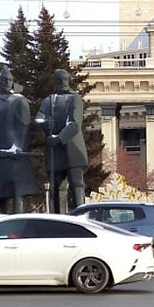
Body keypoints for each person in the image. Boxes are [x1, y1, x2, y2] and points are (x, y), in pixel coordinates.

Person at [0, 66, 40, 214]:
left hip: (15, 156)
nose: (7, 82)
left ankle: (18, 225)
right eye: (4, 80)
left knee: (17, 192)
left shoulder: (19, 101)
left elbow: (24, 126)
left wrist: (19, 146)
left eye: (9, 80)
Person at [35, 69, 88, 213]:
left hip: (72, 151)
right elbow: (38, 118)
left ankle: (80, 216)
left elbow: (74, 123)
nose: (63, 83)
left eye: (65, 80)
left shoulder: (74, 98)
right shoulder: (49, 101)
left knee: (77, 185)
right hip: (56, 153)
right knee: (57, 188)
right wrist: (44, 124)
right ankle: (59, 218)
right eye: (60, 80)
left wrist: (58, 138)